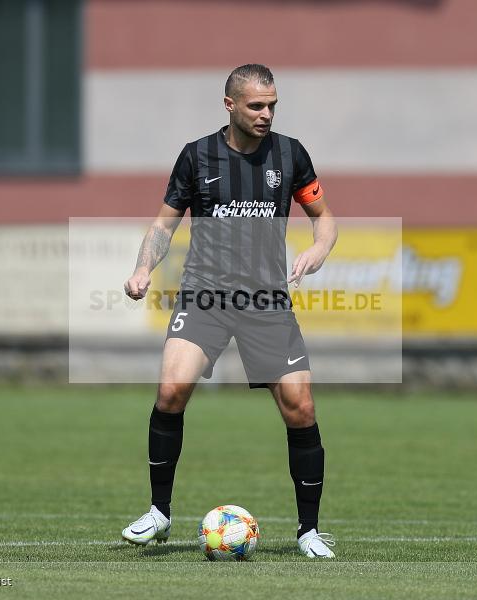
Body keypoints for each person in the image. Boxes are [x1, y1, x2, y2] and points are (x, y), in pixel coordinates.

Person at [121, 64, 338, 558]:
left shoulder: (290, 153)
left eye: (272, 106)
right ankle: (159, 513)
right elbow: (163, 225)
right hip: (205, 296)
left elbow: (325, 221)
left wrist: (318, 251)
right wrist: (142, 269)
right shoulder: (197, 156)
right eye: (257, 106)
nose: (266, 114)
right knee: (171, 390)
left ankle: (308, 531)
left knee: (301, 408)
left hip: (266, 301)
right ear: (230, 106)